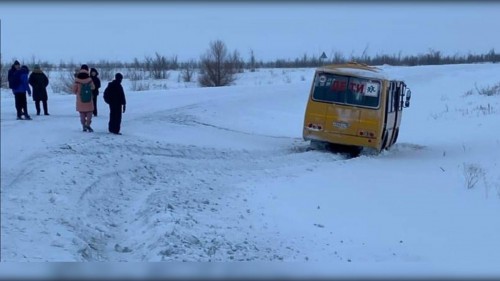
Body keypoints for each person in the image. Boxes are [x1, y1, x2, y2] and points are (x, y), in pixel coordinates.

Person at [73, 64, 96, 132]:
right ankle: (88, 124)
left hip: (80, 99)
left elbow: (74, 90)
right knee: (89, 112)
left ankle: (83, 125)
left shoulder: (77, 80)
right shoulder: (89, 79)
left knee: (82, 113)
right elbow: (93, 87)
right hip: (88, 99)